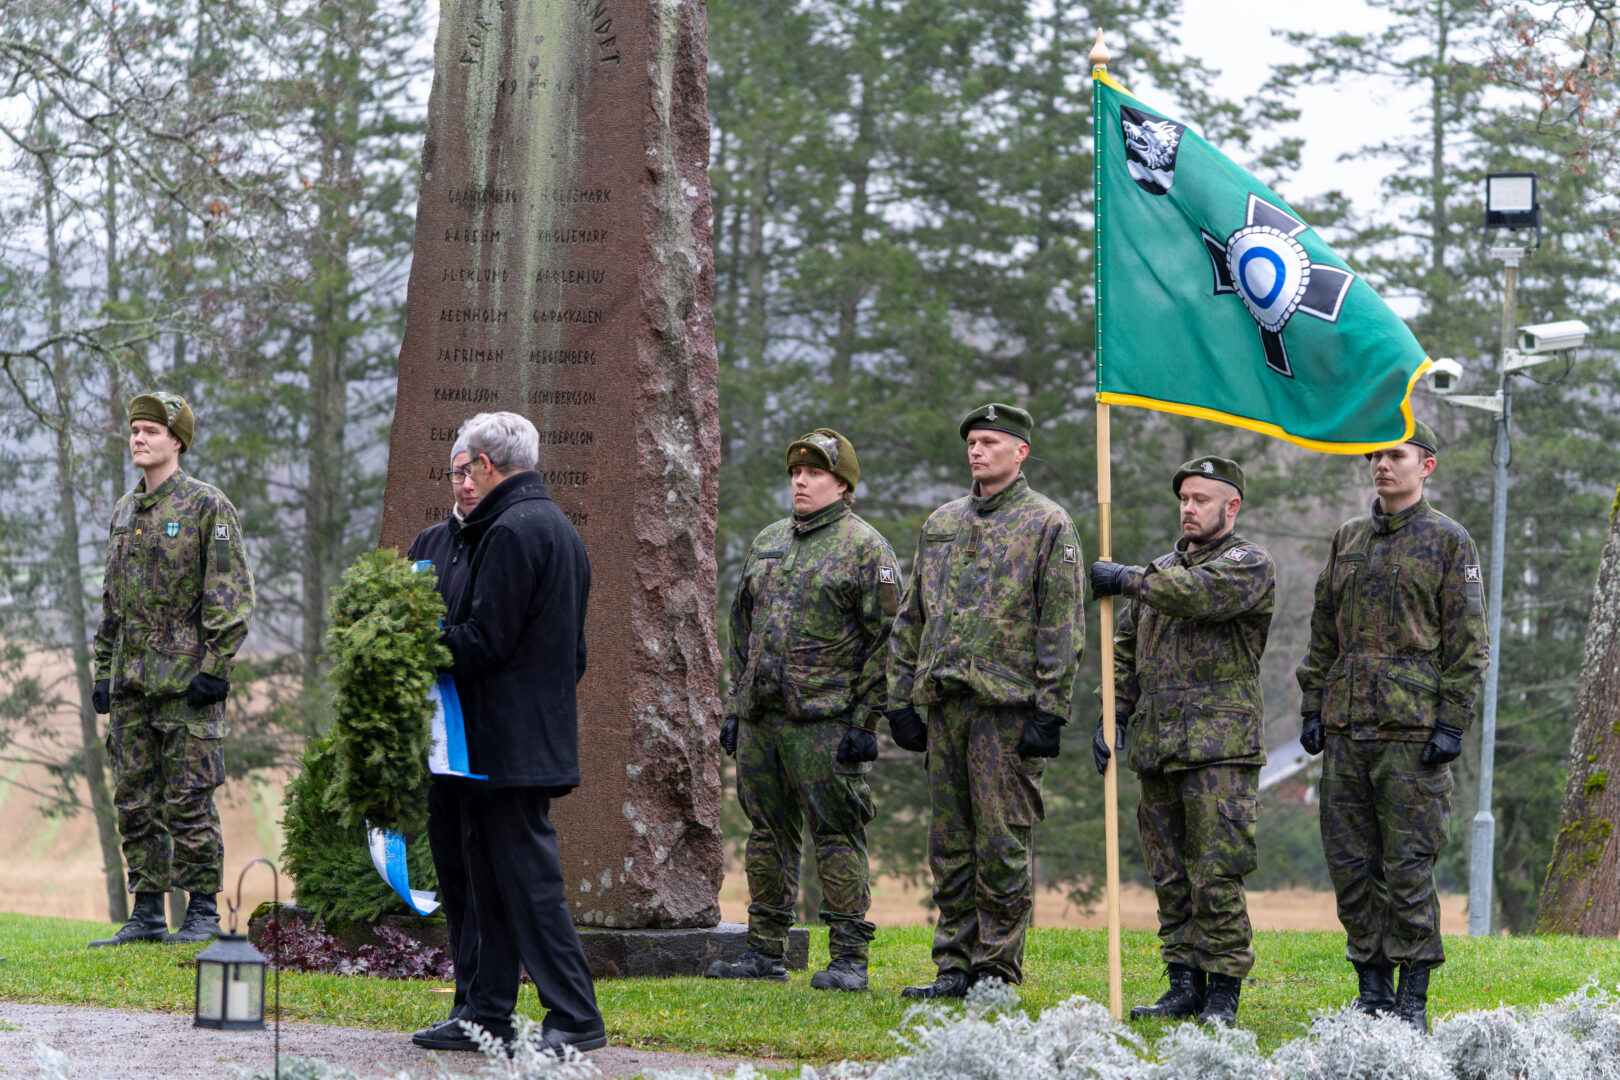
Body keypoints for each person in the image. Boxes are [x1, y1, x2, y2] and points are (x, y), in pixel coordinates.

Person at [420, 411, 605, 1055]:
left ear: (485, 466)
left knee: (529, 887)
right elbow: (575, 655)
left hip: (503, 744)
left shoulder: (511, 531)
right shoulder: (552, 529)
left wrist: (409, 643)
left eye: (464, 467)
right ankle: (484, 1013)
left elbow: (483, 641)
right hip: (505, 741)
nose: (460, 480)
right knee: (486, 883)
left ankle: (575, 1016)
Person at [1295, 420, 1489, 1032]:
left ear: (1425, 466)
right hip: (1348, 730)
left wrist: (1451, 724)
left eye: (1397, 455)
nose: (1383, 463)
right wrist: (1311, 705)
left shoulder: (1449, 541)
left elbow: (1468, 644)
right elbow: (1323, 628)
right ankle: (1372, 991)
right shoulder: (1348, 538)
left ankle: (1412, 1001)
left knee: (1407, 867)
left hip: (1413, 735)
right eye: (1376, 454)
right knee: (1351, 866)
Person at [886, 403, 1084, 998]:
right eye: (972, 440)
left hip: (1007, 712)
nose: (977, 450)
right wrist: (900, 700)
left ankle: (996, 969)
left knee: (1001, 845)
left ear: (1020, 451)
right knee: (949, 845)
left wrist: (1051, 711)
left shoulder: (1048, 523)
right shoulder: (942, 522)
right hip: (947, 706)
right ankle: (953, 964)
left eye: (991, 441)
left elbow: (1062, 625)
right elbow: (911, 615)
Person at [705, 429, 899, 991]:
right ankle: (765, 951)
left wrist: (866, 721)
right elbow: (741, 626)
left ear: (843, 485)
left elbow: (887, 639)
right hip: (765, 720)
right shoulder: (768, 542)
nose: (801, 481)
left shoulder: (867, 549)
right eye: (795, 473)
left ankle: (848, 959)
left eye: (814, 473)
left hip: (826, 723)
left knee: (837, 835)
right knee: (766, 834)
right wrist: (737, 706)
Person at [1089, 456, 1274, 1026]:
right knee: (1170, 875)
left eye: (1201, 499)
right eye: (1184, 499)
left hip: (1220, 747)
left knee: (1215, 873)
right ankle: (1183, 983)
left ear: (1231, 506)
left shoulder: (1248, 564)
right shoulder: (1159, 570)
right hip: (1158, 744)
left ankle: (1222, 991)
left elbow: (1198, 595)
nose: (1189, 508)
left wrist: (1125, 579)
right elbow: (1124, 650)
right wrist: (1112, 715)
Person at [89, 392, 255, 947]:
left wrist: (215, 667)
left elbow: (230, 595)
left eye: (150, 431)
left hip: (187, 685)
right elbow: (113, 602)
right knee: (134, 798)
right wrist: (103, 670)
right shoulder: (123, 512)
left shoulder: (208, 507)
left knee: (188, 799)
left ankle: (203, 910)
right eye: (134, 430)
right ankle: (148, 913)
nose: (138, 439)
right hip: (133, 684)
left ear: (176, 441)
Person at [408, 436, 483, 1046]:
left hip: (480, 742)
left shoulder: (502, 542)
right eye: (454, 473)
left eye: (472, 473)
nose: (462, 484)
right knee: (452, 872)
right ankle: (465, 1000)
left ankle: (485, 1003)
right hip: (435, 740)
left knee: (482, 872)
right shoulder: (429, 544)